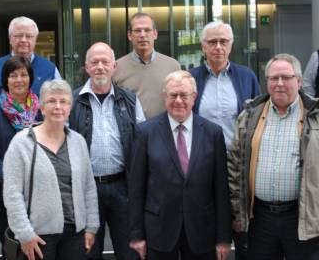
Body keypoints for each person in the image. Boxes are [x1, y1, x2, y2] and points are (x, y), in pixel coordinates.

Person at [128, 70, 231, 260]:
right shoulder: (145, 133)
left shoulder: (213, 133)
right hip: (159, 230)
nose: (178, 101)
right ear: (164, 96)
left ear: (194, 97)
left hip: (202, 230)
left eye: (183, 95)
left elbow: (221, 190)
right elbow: (136, 189)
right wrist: (137, 234)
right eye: (172, 95)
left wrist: (224, 238)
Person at [228, 53, 319, 260]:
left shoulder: (315, 115)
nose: (279, 83)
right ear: (266, 81)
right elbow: (234, 166)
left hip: (302, 218)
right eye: (273, 78)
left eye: (286, 78)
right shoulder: (249, 115)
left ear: (299, 81)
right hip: (260, 218)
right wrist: (237, 211)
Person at [3, 79, 99, 260]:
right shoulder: (22, 143)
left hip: (75, 234)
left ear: (70, 107)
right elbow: (12, 193)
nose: (58, 106)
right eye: (51, 101)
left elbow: (88, 187)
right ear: (41, 106)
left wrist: (92, 226)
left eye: (63, 101)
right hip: (38, 236)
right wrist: (24, 233)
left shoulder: (78, 142)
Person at [189, 21, 260, 259]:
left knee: (242, 226)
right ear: (203, 46)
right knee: (206, 223)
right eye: (212, 42)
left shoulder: (246, 76)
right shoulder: (192, 78)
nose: (218, 47)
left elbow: (257, 118)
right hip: (202, 163)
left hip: (238, 162)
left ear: (231, 45)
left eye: (223, 42)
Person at [69, 42, 145, 260]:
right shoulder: (73, 102)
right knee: (88, 252)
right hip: (87, 189)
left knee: (129, 252)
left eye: (105, 62)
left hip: (123, 187)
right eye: (94, 62)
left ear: (114, 67)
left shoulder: (131, 100)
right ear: (86, 67)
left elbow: (141, 146)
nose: (100, 66)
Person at [0, 56, 41, 259]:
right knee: (14, 247)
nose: (19, 80)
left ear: (30, 78)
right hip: (6, 190)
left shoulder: (41, 111)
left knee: (40, 245)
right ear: (5, 80)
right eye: (13, 75)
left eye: (23, 74)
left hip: (38, 190)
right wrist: (11, 178)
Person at [0, 16, 61, 125]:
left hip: (40, 137)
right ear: (10, 38)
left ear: (35, 39)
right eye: (18, 35)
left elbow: (60, 104)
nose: (24, 40)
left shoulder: (50, 69)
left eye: (29, 36)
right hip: (2, 137)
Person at [113, 12, 181, 119]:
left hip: (164, 131)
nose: (143, 35)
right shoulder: (116, 68)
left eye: (147, 30)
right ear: (129, 35)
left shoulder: (173, 66)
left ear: (155, 34)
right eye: (137, 30)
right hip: (132, 132)